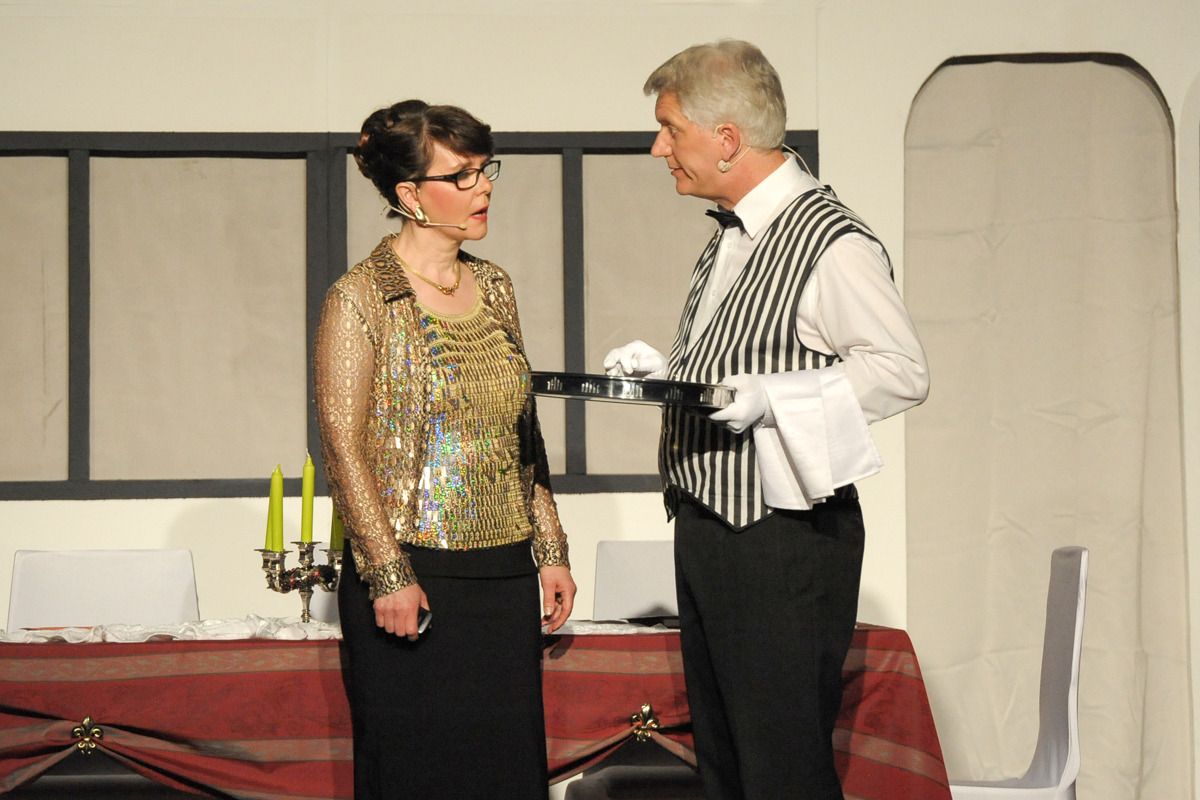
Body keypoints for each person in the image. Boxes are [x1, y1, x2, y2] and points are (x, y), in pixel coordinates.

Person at [604, 41, 929, 800]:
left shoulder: (828, 240)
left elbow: (900, 369)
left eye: (670, 129)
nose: (659, 148)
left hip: (781, 538)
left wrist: (776, 397)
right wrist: (672, 377)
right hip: (713, 528)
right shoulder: (730, 235)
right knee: (726, 767)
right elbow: (745, 363)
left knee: (781, 768)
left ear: (726, 139)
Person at [314, 99, 575, 800]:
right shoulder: (360, 297)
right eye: (461, 176)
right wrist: (387, 573)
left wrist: (550, 550)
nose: (483, 187)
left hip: (504, 575)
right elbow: (342, 445)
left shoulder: (495, 285)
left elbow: (523, 430)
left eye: (486, 170)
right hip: (412, 574)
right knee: (418, 774)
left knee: (506, 773)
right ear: (410, 195)